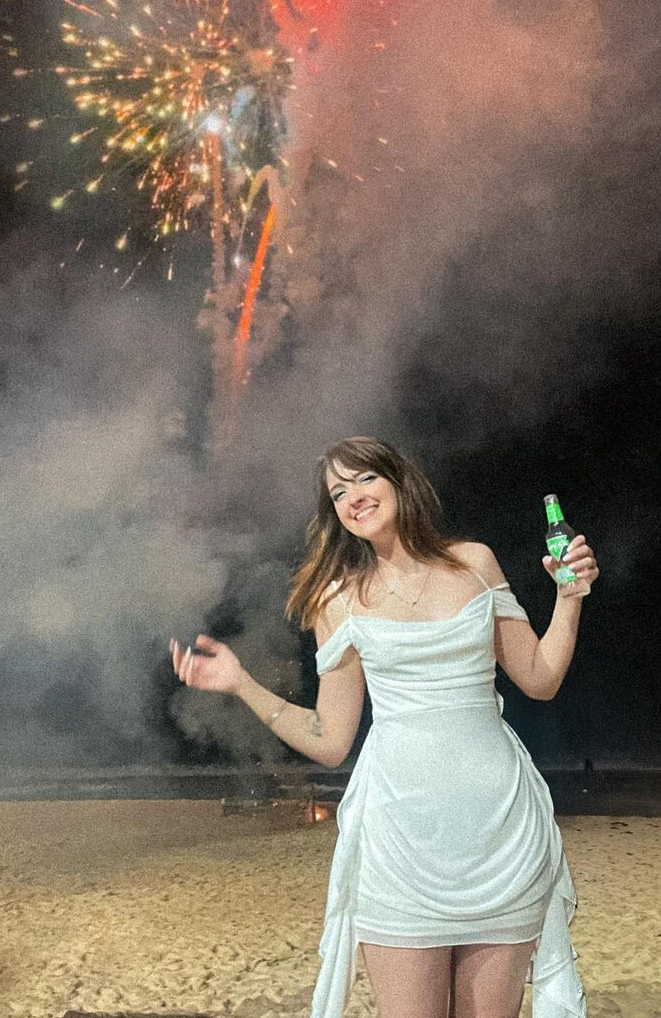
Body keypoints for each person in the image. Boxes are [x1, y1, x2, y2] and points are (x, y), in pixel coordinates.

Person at [170, 436, 599, 1018]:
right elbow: (331, 740)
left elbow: (540, 679)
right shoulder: (337, 600)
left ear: (399, 480)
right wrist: (241, 684)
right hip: (399, 846)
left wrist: (569, 598)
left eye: (365, 479)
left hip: (502, 835)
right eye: (338, 493)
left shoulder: (475, 563)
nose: (353, 498)